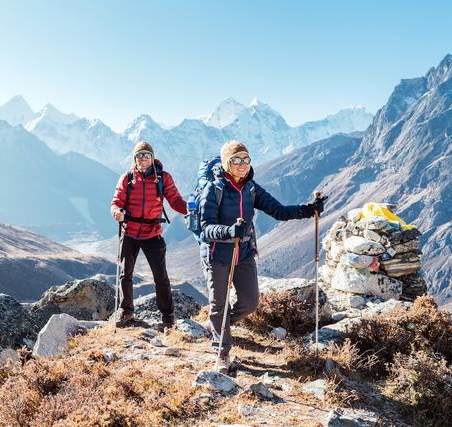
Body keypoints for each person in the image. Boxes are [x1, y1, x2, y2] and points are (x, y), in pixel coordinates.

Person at [199, 140, 326, 371]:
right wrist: (228, 231)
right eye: (237, 160)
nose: (242, 164)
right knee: (219, 305)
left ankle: (217, 325)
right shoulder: (214, 189)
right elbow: (205, 227)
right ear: (228, 163)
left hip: (244, 253)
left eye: (246, 160)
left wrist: (307, 210)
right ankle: (222, 353)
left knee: (250, 302)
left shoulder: (251, 188)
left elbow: (278, 210)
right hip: (218, 255)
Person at [111, 141, 188, 330]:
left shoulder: (163, 178)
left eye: (146, 155)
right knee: (125, 274)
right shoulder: (127, 178)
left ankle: (168, 317)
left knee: (160, 276)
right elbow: (116, 201)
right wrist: (117, 212)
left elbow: (175, 200)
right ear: (134, 158)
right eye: (139, 155)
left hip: (152, 233)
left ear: (152, 158)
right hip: (129, 231)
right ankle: (126, 310)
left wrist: (189, 210)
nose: (143, 158)